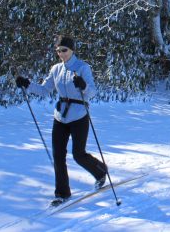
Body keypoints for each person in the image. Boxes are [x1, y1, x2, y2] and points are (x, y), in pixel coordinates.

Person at [15, 35, 107, 206]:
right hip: (60, 116)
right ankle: (62, 193)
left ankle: (100, 172)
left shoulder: (82, 67)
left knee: (78, 154)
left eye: (64, 50)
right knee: (58, 155)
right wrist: (27, 84)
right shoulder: (56, 69)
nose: (61, 54)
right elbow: (44, 90)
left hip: (79, 114)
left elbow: (93, 92)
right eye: (58, 51)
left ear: (72, 50)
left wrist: (84, 86)